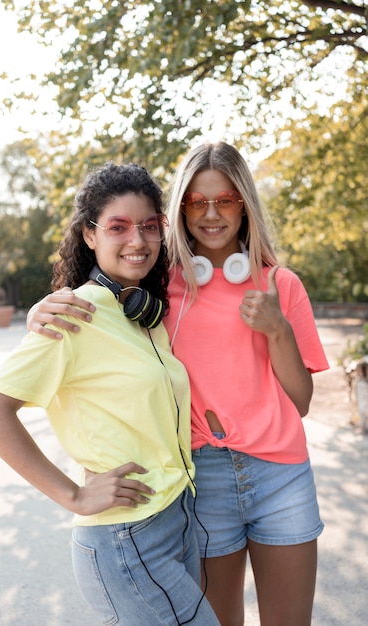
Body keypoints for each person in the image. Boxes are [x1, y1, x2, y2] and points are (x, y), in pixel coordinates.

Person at [27, 142, 329, 626]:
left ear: (244, 204)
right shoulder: (156, 288)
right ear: (181, 208)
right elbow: (98, 298)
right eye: (197, 201)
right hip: (202, 479)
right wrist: (40, 308)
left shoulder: (282, 285)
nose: (212, 213)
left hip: (282, 476)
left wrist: (278, 330)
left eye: (226, 199)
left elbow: (302, 402)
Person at [0, 162, 221, 626]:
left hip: (177, 519)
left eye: (149, 226)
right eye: (118, 227)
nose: (138, 241)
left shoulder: (143, 314)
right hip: (127, 538)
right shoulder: (74, 316)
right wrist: (74, 496)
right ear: (89, 235)